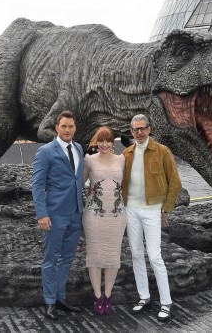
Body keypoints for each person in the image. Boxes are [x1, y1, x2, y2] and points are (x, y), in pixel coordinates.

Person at [122, 114, 182, 324]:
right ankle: (144, 297)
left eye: (142, 128)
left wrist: (166, 210)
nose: (139, 133)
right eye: (135, 129)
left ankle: (166, 302)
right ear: (131, 131)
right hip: (131, 209)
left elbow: (175, 183)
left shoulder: (162, 151)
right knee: (137, 254)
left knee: (155, 256)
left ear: (149, 129)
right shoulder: (127, 154)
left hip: (152, 210)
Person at [31, 110, 85, 320]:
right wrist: (41, 214)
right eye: (64, 126)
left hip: (75, 213)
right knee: (50, 259)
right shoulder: (45, 152)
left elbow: (77, 179)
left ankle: (61, 298)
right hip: (54, 215)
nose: (67, 130)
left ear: (75, 128)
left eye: (71, 126)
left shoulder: (79, 148)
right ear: (56, 128)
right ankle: (50, 302)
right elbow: (37, 185)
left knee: (67, 258)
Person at [82, 126, 127, 316]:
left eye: (108, 140)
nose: (104, 144)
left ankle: (108, 295)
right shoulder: (88, 160)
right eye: (101, 140)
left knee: (112, 257)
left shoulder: (122, 159)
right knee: (95, 256)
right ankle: (97, 296)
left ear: (113, 142)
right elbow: (79, 183)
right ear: (96, 142)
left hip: (117, 216)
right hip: (94, 215)